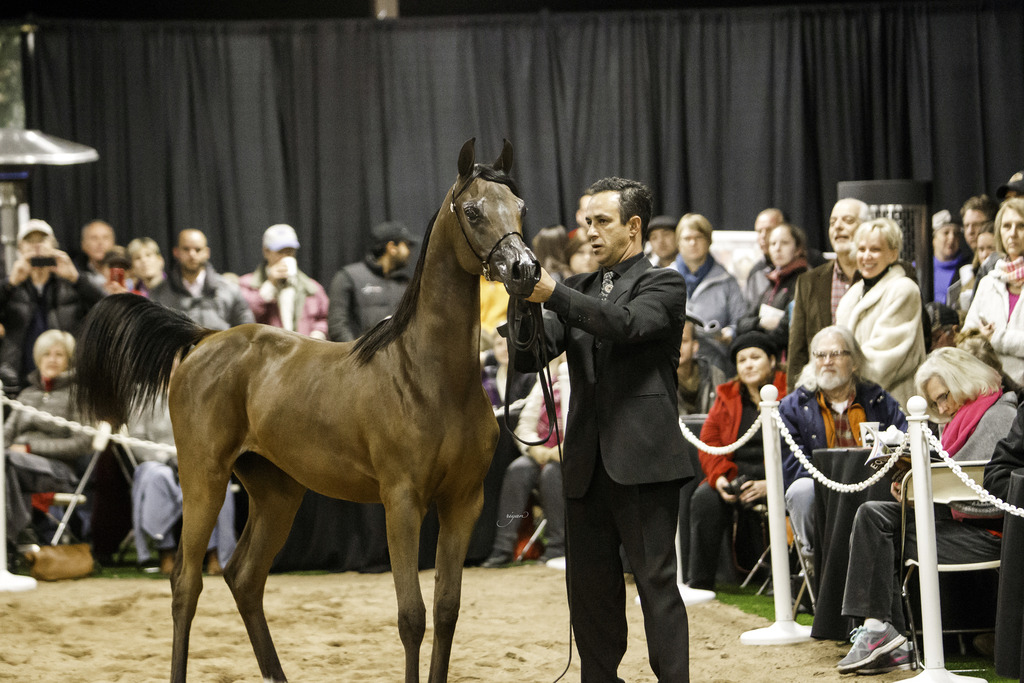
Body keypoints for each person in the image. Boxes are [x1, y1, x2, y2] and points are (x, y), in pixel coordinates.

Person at [517, 176, 691, 680]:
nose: (589, 232)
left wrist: (554, 294)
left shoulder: (664, 283)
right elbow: (530, 358)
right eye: (586, 222)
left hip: (644, 462)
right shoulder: (576, 289)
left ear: (633, 227)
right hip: (585, 466)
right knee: (590, 595)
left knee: (656, 588)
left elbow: (626, 324)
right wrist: (522, 297)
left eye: (601, 222)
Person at [838, 347, 1013, 674]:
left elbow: (990, 497)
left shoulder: (999, 415)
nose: (942, 408)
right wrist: (911, 488)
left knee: (876, 522)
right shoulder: (965, 419)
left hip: (988, 534)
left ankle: (883, 635)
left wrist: (923, 493)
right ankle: (879, 630)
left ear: (964, 379)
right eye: (935, 403)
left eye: (943, 397)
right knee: (873, 515)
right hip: (959, 523)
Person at [779, 326, 906, 559]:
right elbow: (791, 463)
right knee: (801, 491)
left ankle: (885, 557)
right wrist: (832, 486)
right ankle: (814, 559)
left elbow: (902, 443)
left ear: (854, 362)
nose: (827, 361)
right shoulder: (792, 406)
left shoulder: (878, 399)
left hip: (872, 484)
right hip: (819, 486)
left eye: (836, 354)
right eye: (820, 355)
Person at [688, 331, 787, 590]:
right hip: (737, 476)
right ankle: (700, 582)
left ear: (773, 361)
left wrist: (771, 484)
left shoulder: (791, 393)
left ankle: (782, 579)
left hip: (778, 476)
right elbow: (709, 441)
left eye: (755, 357)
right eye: (742, 360)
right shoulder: (727, 395)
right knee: (705, 497)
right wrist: (720, 478)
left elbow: (799, 448)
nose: (748, 365)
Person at [128, 396, 236, 575]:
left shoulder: (200, 394)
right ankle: (166, 553)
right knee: (158, 478)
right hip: (157, 462)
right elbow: (136, 441)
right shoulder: (142, 399)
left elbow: (213, 434)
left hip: (196, 460)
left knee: (215, 479)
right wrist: (165, 458)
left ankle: (214, 554)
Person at [3, 330, 92, 546]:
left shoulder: (78, 395)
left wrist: (29, 448)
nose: (52, 359)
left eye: (59, 355)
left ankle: (14, 534)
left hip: (58, 471)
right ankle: (18, 535)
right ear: (38, 358)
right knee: (4, 462)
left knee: (4, 462)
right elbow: (5, 436)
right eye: (47, 354)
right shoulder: (26, 395)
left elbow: (82, 443)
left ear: (69, 361)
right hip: (15, 464)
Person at [0, 219, 105, 395]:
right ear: (19, 249)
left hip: (67, 381)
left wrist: (77, 279)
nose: (36, 246)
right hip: (18, 381)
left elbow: (107, 308)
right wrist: (9, 285)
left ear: (54, 246)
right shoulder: (10, 287)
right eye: (30, 241)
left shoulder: (72, 282)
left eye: (42, 240)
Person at [481, 354, 567, 567]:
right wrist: (534, 447)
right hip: (542, 450)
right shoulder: (545, 377)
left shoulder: (580, 376)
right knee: (517, 470)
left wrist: (562, 450)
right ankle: (503, 548)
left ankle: (558, 547)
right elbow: (525, 423)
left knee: (551, 474)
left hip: (571, 453)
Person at [835, 217, 926, 409]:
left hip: (893, 404)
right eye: (862, 249)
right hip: (854, 401)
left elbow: (886, 354)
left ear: (893, 254)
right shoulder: (851, 296)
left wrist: (841, 378)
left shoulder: (903, 289)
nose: (866, 256)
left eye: (875, 249)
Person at [787, 198, 867, 390]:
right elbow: (797, 350)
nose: (838, 227)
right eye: (833, 222)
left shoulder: (884, 278)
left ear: (867, 228)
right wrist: (793, 398)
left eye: (848, 220)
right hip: (821, 392)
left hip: (872, 388)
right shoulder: (809, 281)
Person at [670, 212, 747, 375]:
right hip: (671, 363)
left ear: (709, 241)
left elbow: (740, 321)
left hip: (715, 366)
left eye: (698, 237)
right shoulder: (663, 278)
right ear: (678, 242)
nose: (693, 243)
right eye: (687, 238)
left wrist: (730, 333)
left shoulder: (727, 281)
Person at [963, 197, 1024, 383]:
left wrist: (996, 338)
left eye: (1021, 226)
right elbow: (966, 338)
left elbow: (994, 337)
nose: (1012, 233)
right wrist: (980, 337)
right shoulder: (988, 283)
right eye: (1006, 226)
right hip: (989, 388)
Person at [328, 221, 416, 342]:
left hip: (399, 354)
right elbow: (337, 326)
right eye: (406, 245)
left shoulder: (405, 283)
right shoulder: (347, 277)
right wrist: (357, 352)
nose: (409, 251)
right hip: (360, 353)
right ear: (392, 247)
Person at [150, 229, 254, 330]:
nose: (192, 254)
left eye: (198, 249)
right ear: (176, 252)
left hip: (223, 342)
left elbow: (248, 329)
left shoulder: (229, 289)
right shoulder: (159, 294)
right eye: (186, 249)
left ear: (207, 252)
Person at [239, 224, 328, 338]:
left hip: (304, 347)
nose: (286, 256)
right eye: (280, 252)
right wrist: (270, 284)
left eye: (290, 251)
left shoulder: (311, 287)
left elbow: (324, 318)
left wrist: (318, 335)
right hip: (267, 348)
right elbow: (245, 318)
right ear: (266, 252)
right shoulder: (247, 284)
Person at [736, 223, 809, 356]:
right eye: (773, 244)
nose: (777, 248)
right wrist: (761, 322)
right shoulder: (772, 282)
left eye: (784, 243)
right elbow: (741, 324)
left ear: (798, 249)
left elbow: (787, 331)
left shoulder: (805, 281)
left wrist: (756, 333)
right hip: (768, 357)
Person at [676, 316, 726, 416]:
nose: (678, 347)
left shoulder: (715, 375)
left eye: (684, 341)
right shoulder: (661, 380)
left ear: (695, 346)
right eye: (673, 342)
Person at [742, 208, 785, 306]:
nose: (763, 236)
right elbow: (748, 310)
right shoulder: (756, 272)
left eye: (769, 230)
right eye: (759, 231)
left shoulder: (807, 263)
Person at [931, 210, 971, 305]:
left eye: (956, 234)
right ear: (933, 238)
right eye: (946, 233)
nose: (952, 238)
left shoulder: (968, 269)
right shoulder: (919, 269)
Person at [74, 219, 117, 291]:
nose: (100, 243)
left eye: (105, 238)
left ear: (113, 243)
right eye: (94, 238)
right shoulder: (76, 274)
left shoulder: (126, 272)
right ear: (83, 245)